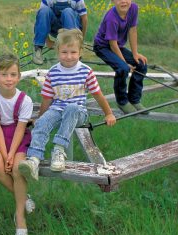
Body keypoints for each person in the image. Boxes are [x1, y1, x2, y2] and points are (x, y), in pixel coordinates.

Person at [19, 29, 116, 181]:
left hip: (78, 112)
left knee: (71, 108)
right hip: (57, 109)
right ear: (57, 51)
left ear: (80, 52)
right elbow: (46, 99)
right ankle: (34, 159)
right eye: (64, 52)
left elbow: (98, 94)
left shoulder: (86, 71)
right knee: (43, 123)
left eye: (73, 52)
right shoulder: (53, 72)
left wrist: (108, 113)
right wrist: (40, 118)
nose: (69, 56)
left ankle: (59, 150)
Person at [0, 53, 34, 235]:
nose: (9, 79)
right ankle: (24, 197)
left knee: (17, 169)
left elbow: (21, 129)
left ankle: (20, 216)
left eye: (13, 74)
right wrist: (5, 156)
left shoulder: (25, 100)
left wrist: (12, 155)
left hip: (18, 138)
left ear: (19, 77)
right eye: (4, 74)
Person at [93, 0, 148, 114]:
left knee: (141, 64)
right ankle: (122, 101)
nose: (123, 1)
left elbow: (132, 30)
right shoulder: (111, 18)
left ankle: (134, 99)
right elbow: (112, 44)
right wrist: (124, 63)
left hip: (117, 45)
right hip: (103, 46)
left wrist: (135, 54)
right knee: (122, 68)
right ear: (113, 0)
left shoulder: (134, 8)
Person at [32, 0, 88, 65]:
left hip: (72, 28)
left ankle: (72, 48)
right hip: (55, 29)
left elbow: (84, 18)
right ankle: (38, 49)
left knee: (68, 11)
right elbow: (40, 19)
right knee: (43, 10)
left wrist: (81, 40)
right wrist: (48, 41)